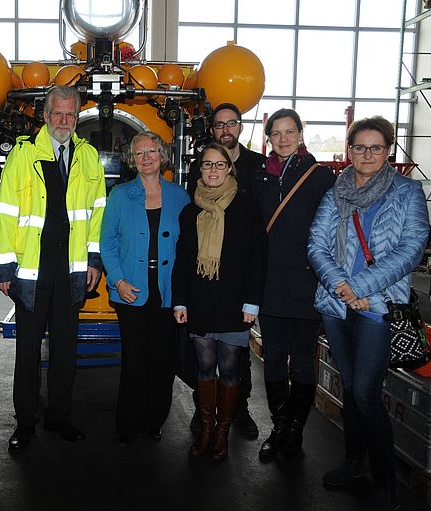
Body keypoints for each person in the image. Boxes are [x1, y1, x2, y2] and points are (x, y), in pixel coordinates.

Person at [308, 116, 429, 510]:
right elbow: (316, 245)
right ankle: (351, 461)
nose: (367, 154)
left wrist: (359, 288)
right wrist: (343, 288)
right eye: (360, 147)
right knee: (350, 389)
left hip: (379, 307)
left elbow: (411, 249)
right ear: (349, 150)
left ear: (389, 150)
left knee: (366, 393)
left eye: (376, 147)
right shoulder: (336, 191)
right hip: (338, 306)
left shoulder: (407, 192)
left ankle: (385, 484)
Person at [0, 85, 106, 451]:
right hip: (31, 269)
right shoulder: (23, 154)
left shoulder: (88, 158)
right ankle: (25, 422)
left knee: (65, 348)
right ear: (45, 115)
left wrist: (93, 261)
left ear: (77, 117)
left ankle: (60, 417)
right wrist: (3, 269)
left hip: (70, 269)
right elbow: (6, 212)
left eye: (70, 115)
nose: (64, 121)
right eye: (57, 113)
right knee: (27, 350)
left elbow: (96, 213)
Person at [173, 142, 266, 462]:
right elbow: (183, 261)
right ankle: (207, 430)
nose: (213, 171)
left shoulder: (247, 207)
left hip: (233, 303)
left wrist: (252, 302)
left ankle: (223, 434)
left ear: (230, 169)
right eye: (207, 165)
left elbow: (258, 257)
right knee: (203, 366)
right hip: (199, 301)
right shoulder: (190, 210)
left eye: (219, 165)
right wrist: (180, 302)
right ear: (200, 170)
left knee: (229, 368)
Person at [100, 131, 190, 446]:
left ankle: (155, 420)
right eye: (139, 153)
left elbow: (188, 248)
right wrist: (118, 281)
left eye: (152, 151)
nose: (146, 157)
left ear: (162, 156)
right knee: (134, 359)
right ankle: (128, 421)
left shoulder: (180, 196)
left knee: (162, 361)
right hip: (131, 291)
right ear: (132, 160)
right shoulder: (120, 195)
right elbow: (107, 243)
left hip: (167, 292)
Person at [256, 108, 335, 462]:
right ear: (269, 138)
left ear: (301, 134)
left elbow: (333, 232)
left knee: (302, 362)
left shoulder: (320, 178)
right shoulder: (262, 178)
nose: (283, 138)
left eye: (290, 132)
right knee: (272, 358)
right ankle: (278, 425)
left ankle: (296, 429)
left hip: (306, 284)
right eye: (277, 133)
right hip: (270, 284)